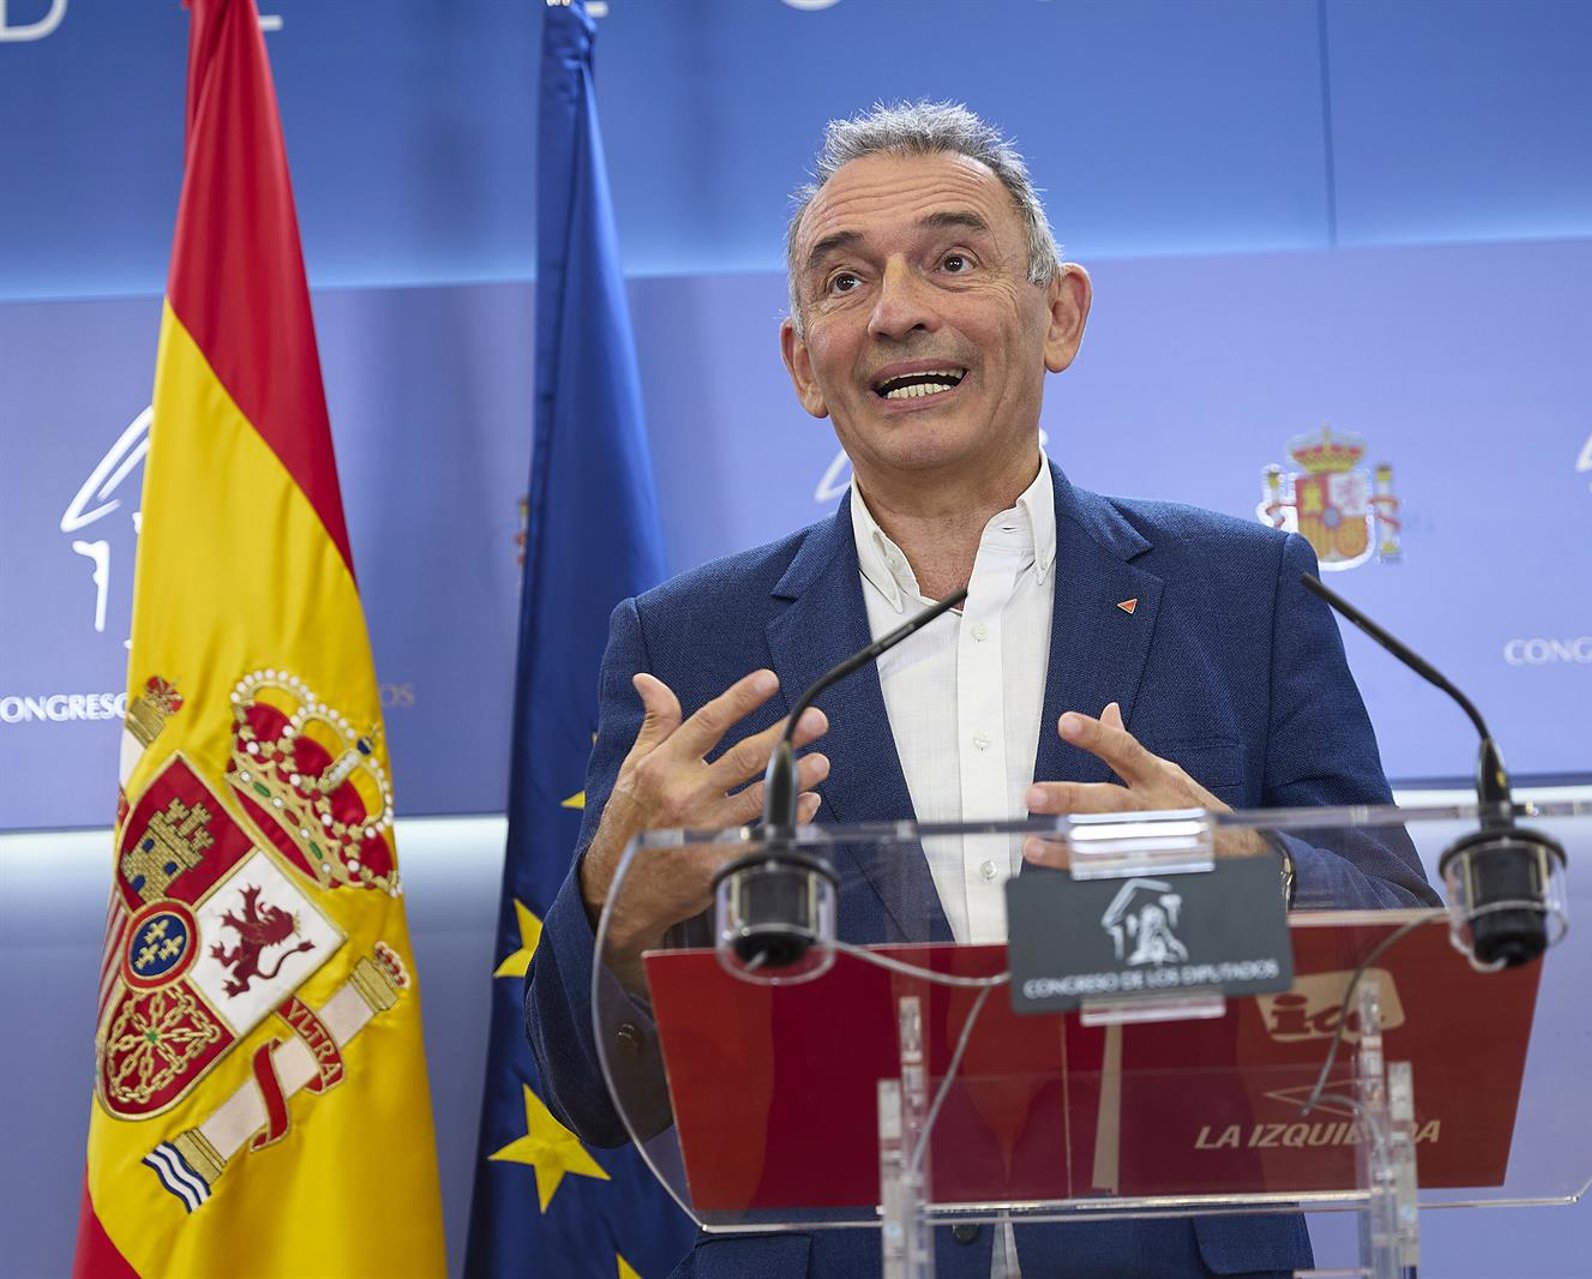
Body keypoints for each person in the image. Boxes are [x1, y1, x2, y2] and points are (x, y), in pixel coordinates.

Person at [525, 101, 1435, 1279]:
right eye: (845, 280)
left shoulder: (1240, 591)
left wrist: (1262, 876)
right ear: (803, 364)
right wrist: (615, 895)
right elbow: (589, 1095)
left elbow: (1414, 977)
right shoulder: (689, 642)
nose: (897, 311)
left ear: (1060, 315)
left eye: (953, 261)